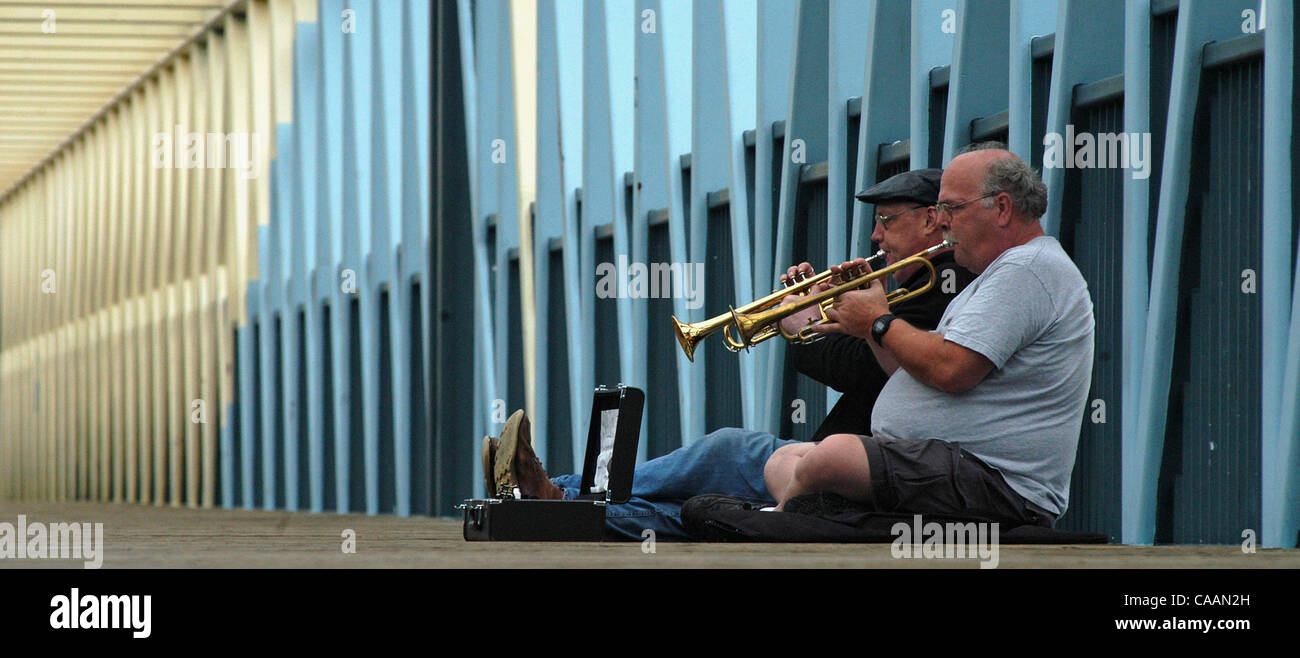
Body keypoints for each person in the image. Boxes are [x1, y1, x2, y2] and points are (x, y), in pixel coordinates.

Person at [484, 167, 974, 540]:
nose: (875, 236)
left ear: (932, 219)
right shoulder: (910, 289)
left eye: (886, 221)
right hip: (846, 459)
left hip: (863, 468)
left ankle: (558, 496)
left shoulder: (947, 288)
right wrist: (827, 306)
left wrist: (807, 323)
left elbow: (865, 370)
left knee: (723, 454)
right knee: (695, 498)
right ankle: (554, 500)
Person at [763, 144, 1095, 528]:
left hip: (998, 481)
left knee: (830, 456)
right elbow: (913, 371)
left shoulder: (1028, 269)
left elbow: (952, 369)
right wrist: (868, 326)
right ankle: (826, 513)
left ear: (1002, 208)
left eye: (952, 209)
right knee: (783, 461)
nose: (943, 223)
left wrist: (878, 321)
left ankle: (781, 524)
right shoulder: (998, 274)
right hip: (949, 465)